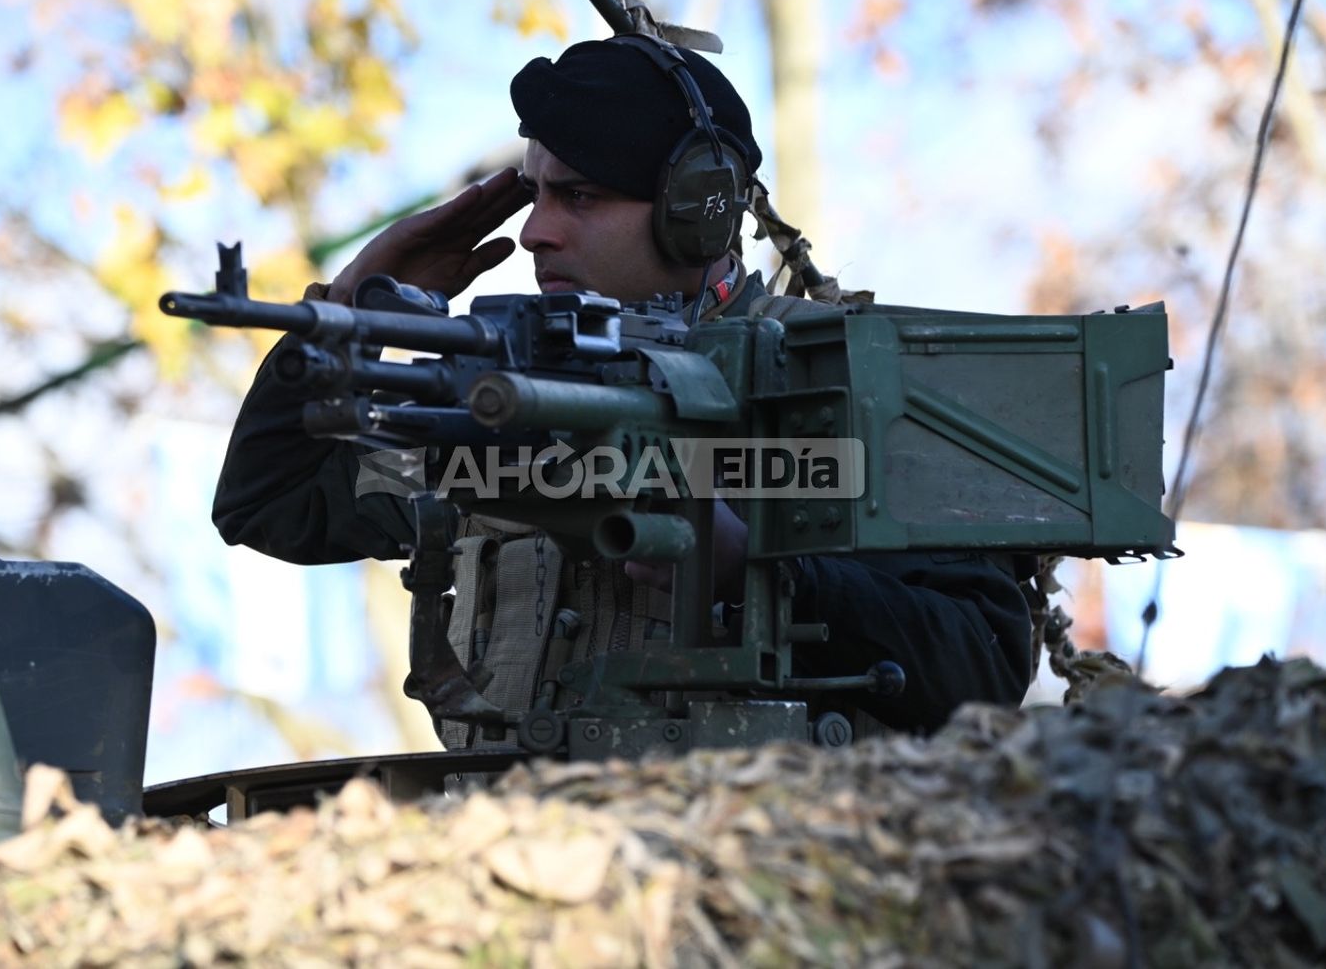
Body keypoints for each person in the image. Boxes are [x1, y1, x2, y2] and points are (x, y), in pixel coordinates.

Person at [212, 38, 1034, 738]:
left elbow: (982, 665)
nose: (536, 229)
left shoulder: (849, 383)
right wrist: (358, 305)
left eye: (580, 195)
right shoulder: (505, 386)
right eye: (533, 193)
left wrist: (763, 574)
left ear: (697, 212)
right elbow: (272, 502)